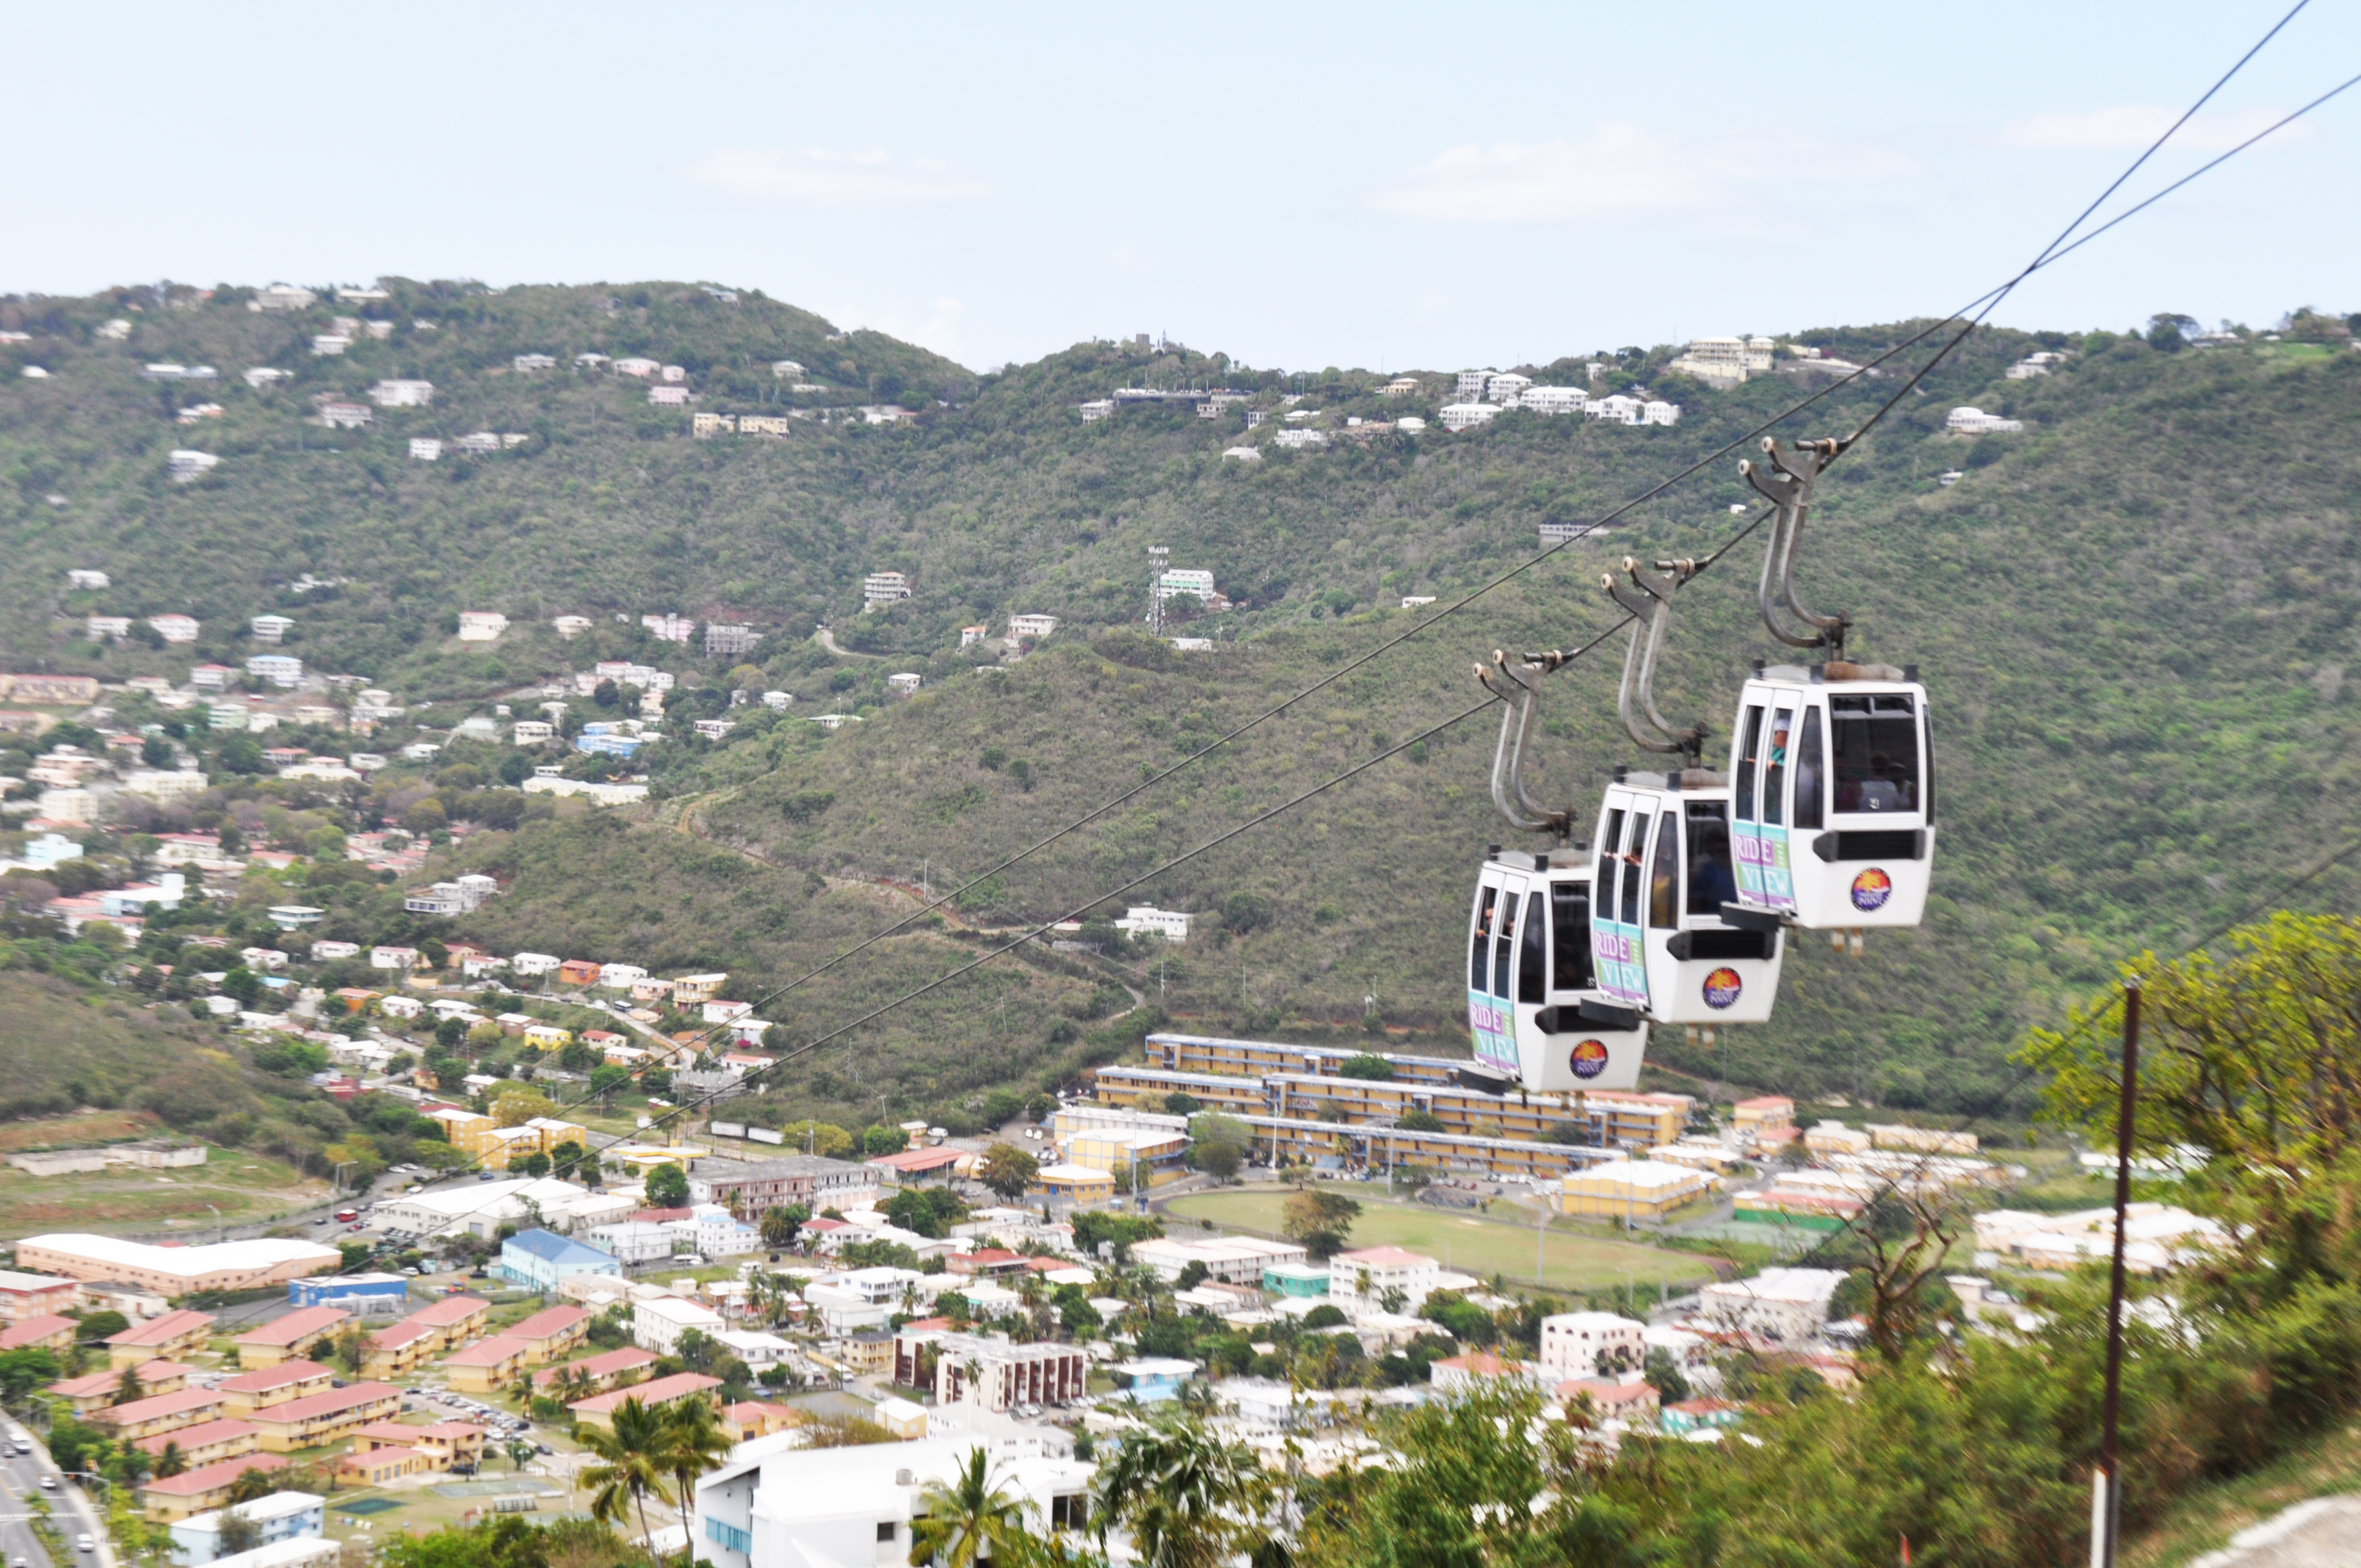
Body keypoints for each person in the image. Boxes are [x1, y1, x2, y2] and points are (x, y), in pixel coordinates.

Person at [1688, 818, 1739, 913]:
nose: (1722, 854)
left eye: (1725, 851)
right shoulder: (1708, 869)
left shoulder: (1740, 868)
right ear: (1714, 852)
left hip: (1741, 914)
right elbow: (1696, 898)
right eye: (1719, 851)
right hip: (1715, 916)